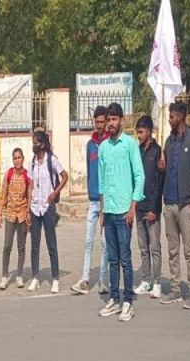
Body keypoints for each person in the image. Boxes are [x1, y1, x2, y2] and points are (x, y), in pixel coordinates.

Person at [96, 103, 144, 322]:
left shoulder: (130, 145)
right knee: (112, 259)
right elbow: (102, 182)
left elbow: (139, 176)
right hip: (109, 210)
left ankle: (127, 302)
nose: (111, 123)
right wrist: (102, 211)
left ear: (121, 121)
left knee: (125, 258)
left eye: (114, 119)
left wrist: (133, 207)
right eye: (108, 120)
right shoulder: (103, 148)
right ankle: (114, 299)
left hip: (125, 211)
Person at [160, 101, 190, 309]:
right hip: (169, 201)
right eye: (169, 116)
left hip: (186, 203)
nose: (170, 120)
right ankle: (176, 288)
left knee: (189, 250)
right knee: (173, 249)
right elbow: (165, 168)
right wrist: (162, 166)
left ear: (181, 117)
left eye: (172, 116)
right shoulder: (169, 141)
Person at [71, 106, 109, 295]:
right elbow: (89, 168)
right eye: (97, 122)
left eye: (103, 122)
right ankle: (85, 279)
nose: (100, 125)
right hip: (93, 199)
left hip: (107, 200)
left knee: (105, 243)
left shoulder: (110, 144)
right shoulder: (90, 145)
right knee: (88, 240)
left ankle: (103, 280)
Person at [28, 130, 68, 293]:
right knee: (34, 245)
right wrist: (28, 206)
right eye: (33, 143)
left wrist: (55, 193)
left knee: (51, 244)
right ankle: (35, 277)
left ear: (43, 144)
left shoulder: (52, 160)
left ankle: (55, 278)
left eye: (36, 143)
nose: (34, 146)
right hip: (35, 207)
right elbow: (30, 184)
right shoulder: (32, 162)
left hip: (48, 207)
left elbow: (65, 176)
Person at [132, 115, 164, 299]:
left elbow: (158, 183)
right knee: (143, 247)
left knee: (155, 247)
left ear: (150, 132)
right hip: (139, 205)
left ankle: (157, 282)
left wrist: (154, 209)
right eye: (137, 132)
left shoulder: (157, 152)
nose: (139, 135)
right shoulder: (137, 151)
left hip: (152, 208)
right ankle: (145, 280)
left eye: (141, 132)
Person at [0, 148, 32, 290]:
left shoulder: (27, 175)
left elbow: (29, 194)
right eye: (15, 158)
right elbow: (3, 193)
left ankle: (19, 276)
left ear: (23, 158)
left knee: (21, 247)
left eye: (19, 157)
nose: (17, 160)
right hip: (10, 214)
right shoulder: (9, 174)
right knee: (7, 246)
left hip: (22, 214)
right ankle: (4, 276)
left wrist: (28, 213)